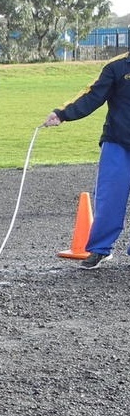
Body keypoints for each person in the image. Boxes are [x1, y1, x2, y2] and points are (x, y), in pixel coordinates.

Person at [44, 51, 130, 270]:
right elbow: (93, 95)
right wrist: (62, 114)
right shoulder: (117, 67)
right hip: (117, 142)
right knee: (109, 199)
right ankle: (100, 249)